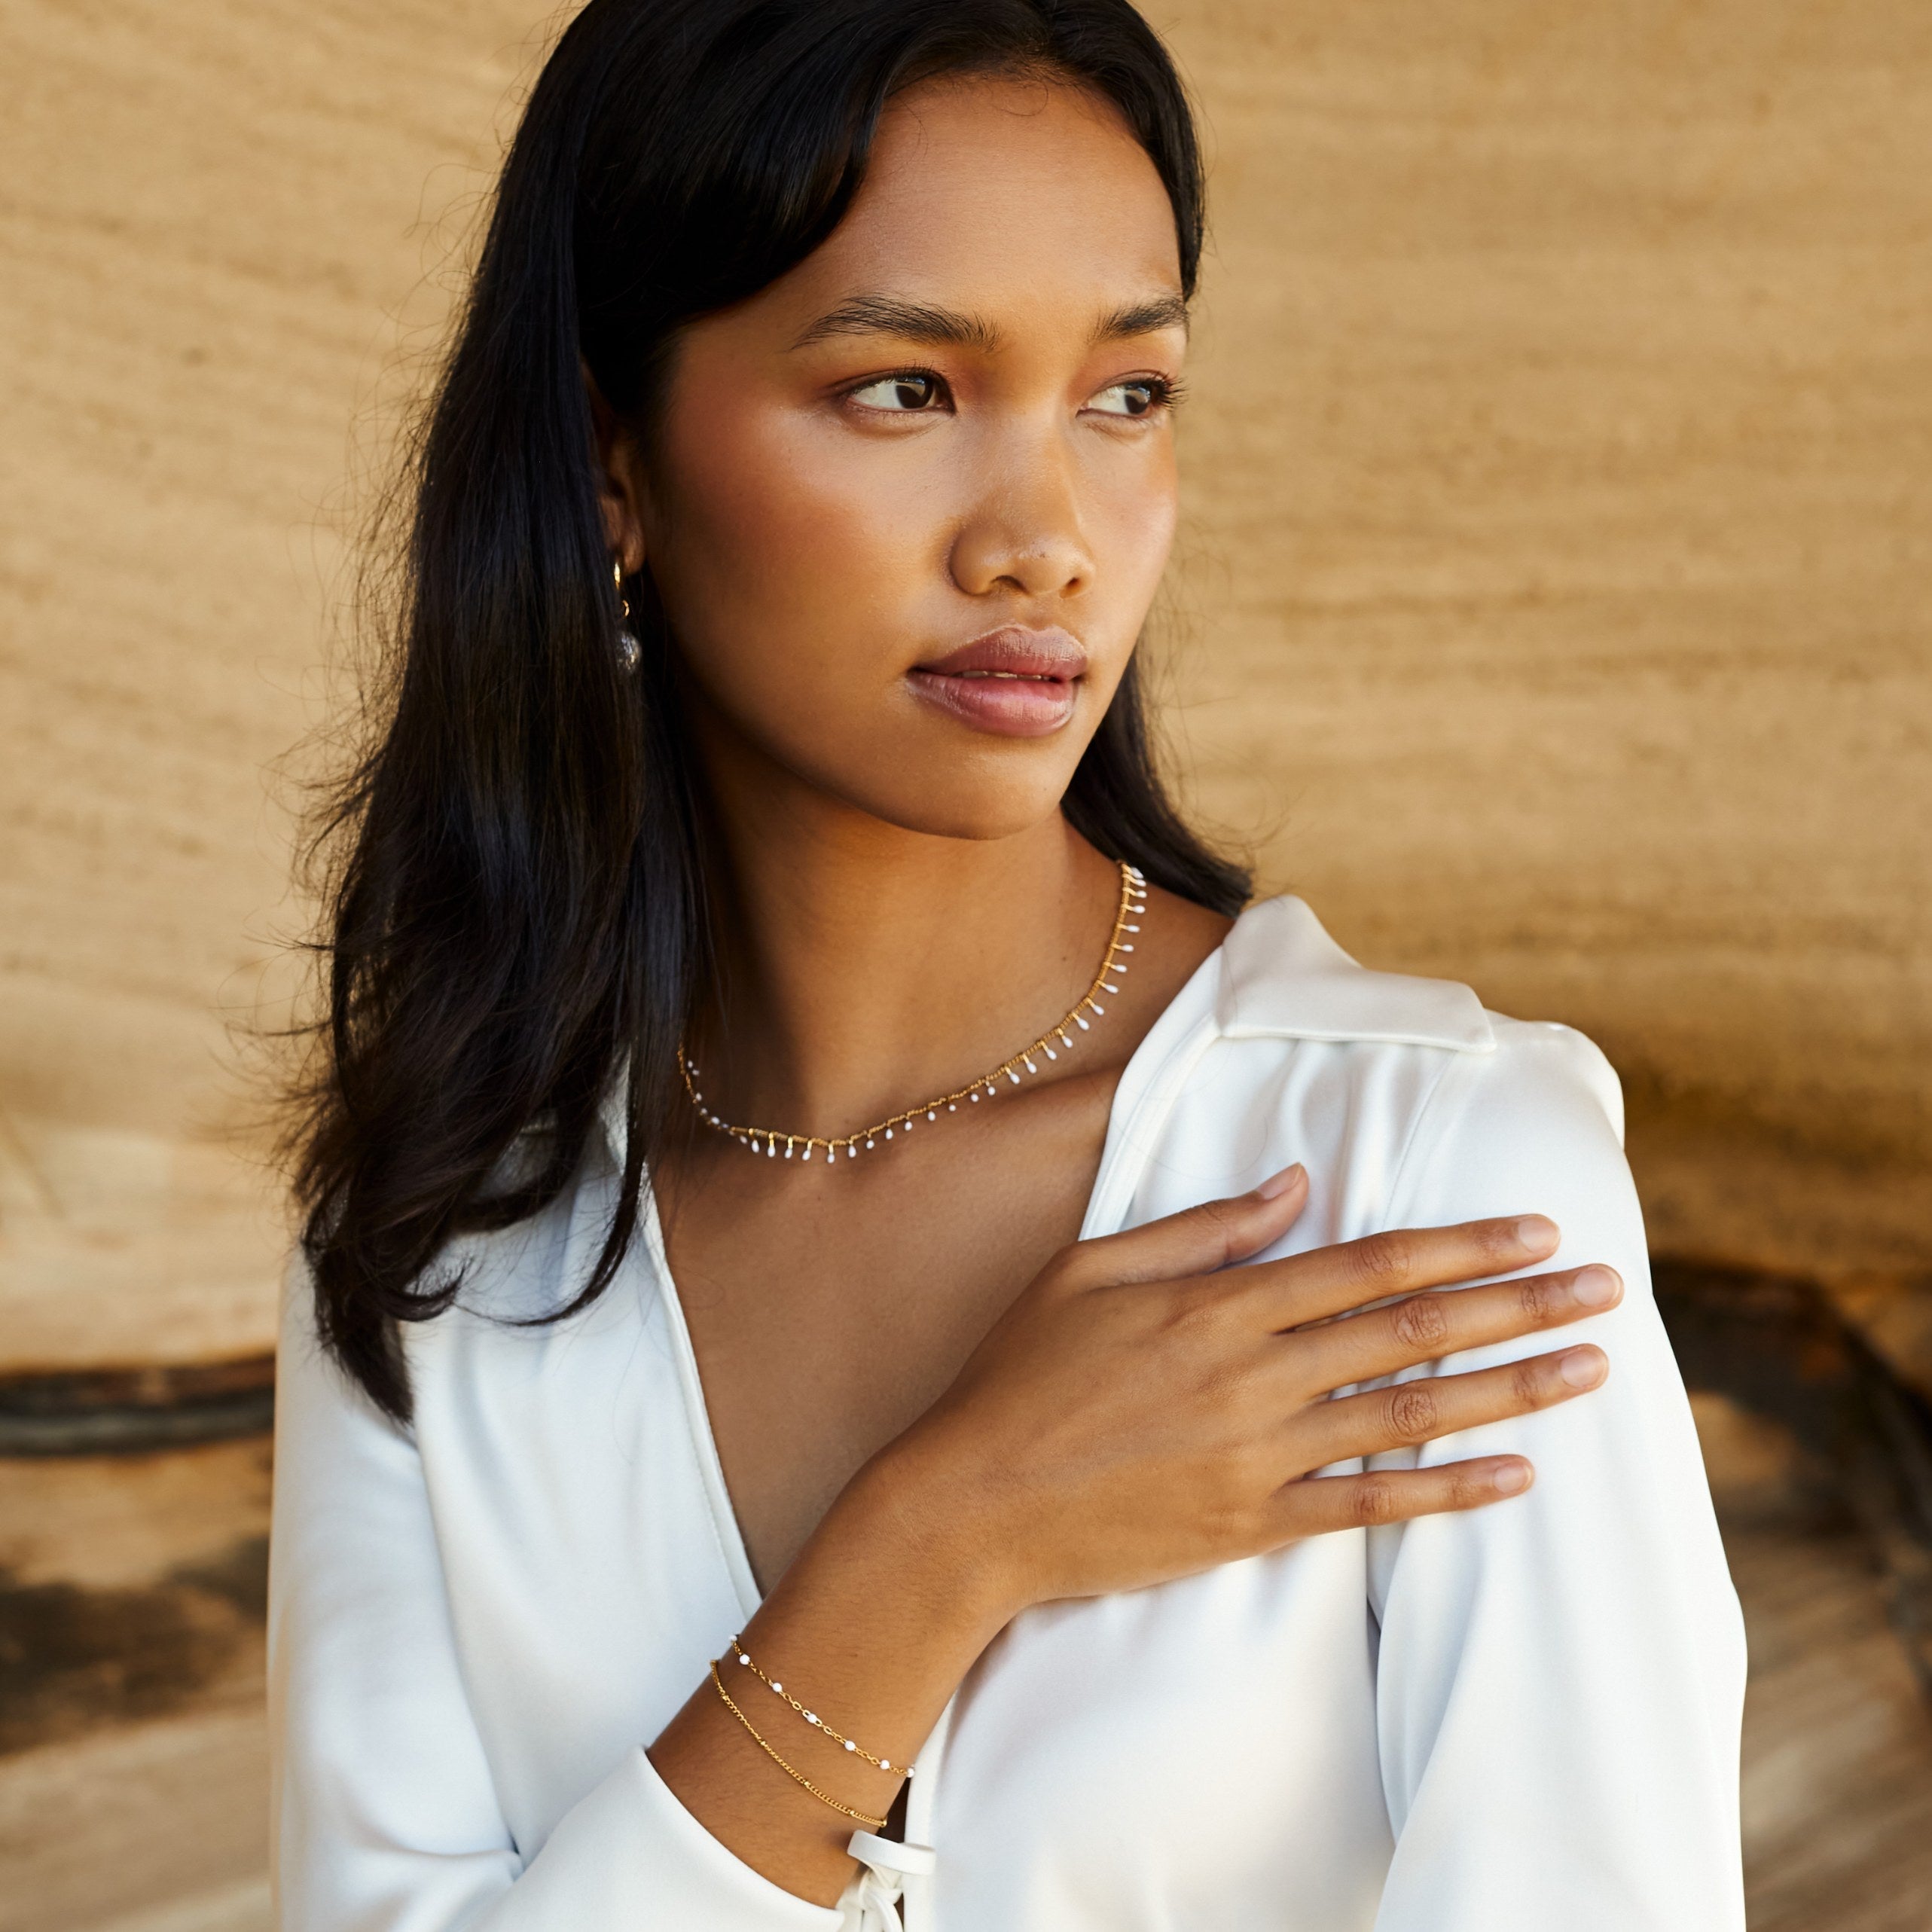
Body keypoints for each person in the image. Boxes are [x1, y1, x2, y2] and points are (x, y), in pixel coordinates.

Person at [270, 2, 1747, 1927]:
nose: (1044, 539)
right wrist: (936, 1542)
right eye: (902, 389)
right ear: (609, 462)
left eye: (1124, 395)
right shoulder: (437, 1254)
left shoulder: (1434, 1179)